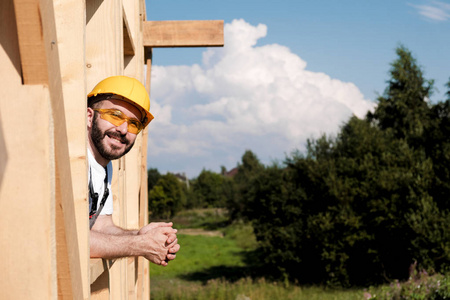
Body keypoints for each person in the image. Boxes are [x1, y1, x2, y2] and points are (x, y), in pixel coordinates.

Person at [87, 75, 179, 266]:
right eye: (115, 115)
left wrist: (142, 235)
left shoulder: (104, 166)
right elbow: (71, 237)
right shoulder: (72, 161)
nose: (123, 129)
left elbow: (102, 226)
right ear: (89, 116)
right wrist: (140, 245)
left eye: (133, 124)